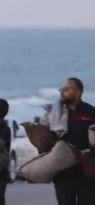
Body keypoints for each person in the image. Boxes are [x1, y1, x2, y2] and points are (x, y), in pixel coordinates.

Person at [52, 77, 95, 205]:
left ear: (78, 92)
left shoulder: (90, 112)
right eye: (62, 89)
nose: (62, 92)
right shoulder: (55, 113)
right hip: (63, 172)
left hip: (86, 172)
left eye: (66, 89)